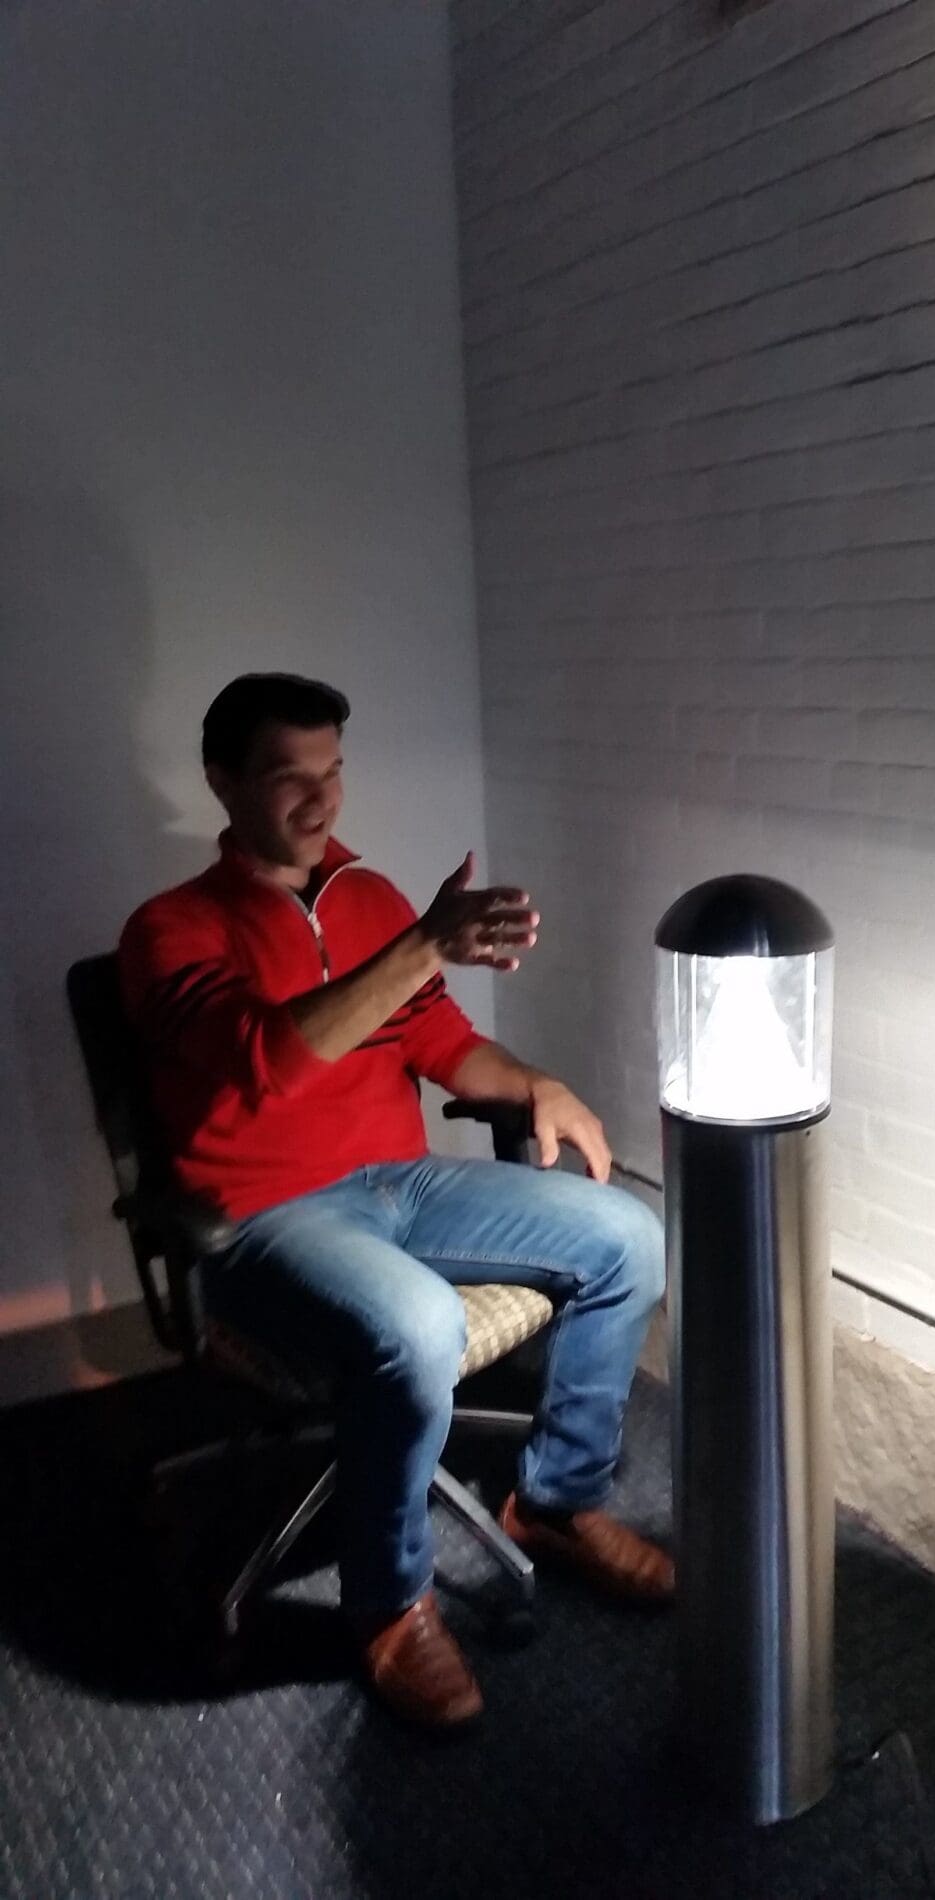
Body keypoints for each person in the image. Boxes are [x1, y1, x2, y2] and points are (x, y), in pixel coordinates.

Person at [120, 672, 670, 1729]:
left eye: (333, 771)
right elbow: (267, 1061)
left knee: (628, 1236)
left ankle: (557, 1501)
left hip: (404, 1185)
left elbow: (441, 1042)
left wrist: (537, 1083)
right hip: (266, 1216)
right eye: (289, 777)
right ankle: (387, 1603)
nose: (322, 800)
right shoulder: (170, 929)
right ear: (222, 780)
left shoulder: (367, 898)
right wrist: (420, 944)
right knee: (416, 1325)